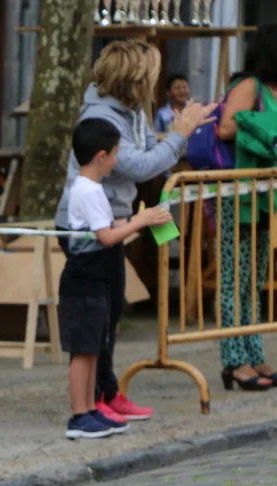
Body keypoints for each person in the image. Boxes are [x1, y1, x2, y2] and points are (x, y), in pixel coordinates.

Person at [54, 41, 215, 423]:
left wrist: (178, 132)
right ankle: (91, 403)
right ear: (134, 78)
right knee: (97, 318)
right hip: (96, 225)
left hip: (113, 218)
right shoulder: (102, 116)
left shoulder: (130, 109)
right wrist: (179, 136)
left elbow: (144, 153)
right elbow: (140, 166)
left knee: (109, 313)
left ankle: (105, 393)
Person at [59, 119, 172, 440]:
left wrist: (139, 220)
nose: (117, 160)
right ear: (101, 156)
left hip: (94, 281)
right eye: (115, 153)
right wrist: (140, 221)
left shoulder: (90, 189)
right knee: (83, 351)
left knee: (94, 348)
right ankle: (79, 415)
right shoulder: (87, 190)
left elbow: (106, 228)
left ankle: (91, 408)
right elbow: (107, 237)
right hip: (84, 281)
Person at [214, 25, 277, 390]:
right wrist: (265, 131)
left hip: (264, 196)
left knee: (254, 278)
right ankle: (234, 360)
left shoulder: (271, 90)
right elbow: (226, 127)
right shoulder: (249, 86)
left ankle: (254, 352)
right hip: (238, 195)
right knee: (233, 279)